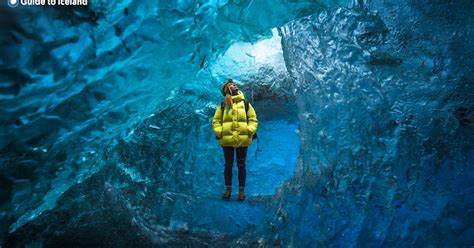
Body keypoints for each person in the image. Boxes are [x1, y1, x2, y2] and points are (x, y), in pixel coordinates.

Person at [212, 79, 258, 201]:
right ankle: (228, 190)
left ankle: (241, 192)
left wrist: (249, 131)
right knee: (228, 165)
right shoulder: (223, 105)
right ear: (227, 90)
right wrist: (220, 132)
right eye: (231, 85)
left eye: (234, 84)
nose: (234, 85)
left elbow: (253, 118)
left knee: (241, 165)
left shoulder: (246, 104)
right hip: (227, 140)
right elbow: (216, 121)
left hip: (242, 139)